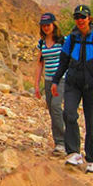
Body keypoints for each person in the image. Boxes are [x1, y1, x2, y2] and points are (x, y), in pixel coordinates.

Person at [51, 4, 93, 173]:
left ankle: (92, 160)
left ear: (89, 18)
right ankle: (74, 153)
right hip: (73, 84)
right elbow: (63, 62)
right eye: (77, 17)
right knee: (69, 114)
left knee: (91, 122)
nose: (80, 20)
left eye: (83, 17)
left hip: (92, 86)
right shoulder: (71, 39)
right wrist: (55, 81)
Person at [34, 12, 66, 155]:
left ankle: (62, 143)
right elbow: (40, 64)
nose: (46, 27)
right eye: (43, 25)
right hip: (48, 80)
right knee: (52, 111)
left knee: (56, 106)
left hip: (61, 79)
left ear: (54, 25)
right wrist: (36, 84)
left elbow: (69, 59)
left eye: (48, 25)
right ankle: (59, 141)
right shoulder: (41, 43)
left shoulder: (63, 41)